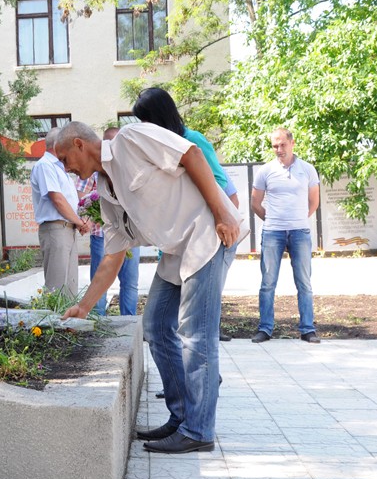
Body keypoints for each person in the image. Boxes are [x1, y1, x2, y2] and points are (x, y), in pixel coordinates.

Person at [56, 121, 248, 454]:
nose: (66, 168)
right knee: (156, 325)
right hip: (177, 251)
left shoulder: (132, 138)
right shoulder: (104, 189)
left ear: (79, 144)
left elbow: (192, 154)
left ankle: (199, 430)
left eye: (64, 158)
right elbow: (112, 258)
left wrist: (222, 213)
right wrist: (84, 306)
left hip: (207, 234)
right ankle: (182, 416)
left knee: (196, 335)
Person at [132, 86, 240, 340]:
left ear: (160, 115)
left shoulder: (192, 140)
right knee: (164, 323)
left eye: (147, 120)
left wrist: (223, 220)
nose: (145, 126)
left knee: (196, 325)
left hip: (209, 239)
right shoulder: (158, 149)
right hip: (178, 244)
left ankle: (208, 377)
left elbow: (219, 184)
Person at [250, 127, 321, 344]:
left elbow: (314, 202)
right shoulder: (265, 171)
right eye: (274, 146)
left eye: (282, 144)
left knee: (304, 283)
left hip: (300, 232)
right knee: (268, 282)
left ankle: (307, 329)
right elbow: (255, 203)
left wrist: (299, 218)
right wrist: (273, 220)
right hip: (273, 232)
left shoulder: (308, 169)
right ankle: (265, 328)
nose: (279, 149)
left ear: (292, 143)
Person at [77, 127, 139, 316]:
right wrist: (88, 216)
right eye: (108, 143)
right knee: (100, 280)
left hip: (130, 235)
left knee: (130, 283)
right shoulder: (94, 170)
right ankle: (99, 322)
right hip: (101, 235)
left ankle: (129, 322)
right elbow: (80, 197)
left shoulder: (129, 169)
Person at [31, 127, 89, 298]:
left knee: (70, 286)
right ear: (58, 145)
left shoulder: (60, 169)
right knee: (56, 287)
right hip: (56, 229)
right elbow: (56, 199)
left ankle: (68, 324)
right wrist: (79, 222)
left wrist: (81, 221)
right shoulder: (44, 165)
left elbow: (71, 200)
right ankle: (54, 325)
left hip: (68, 228)